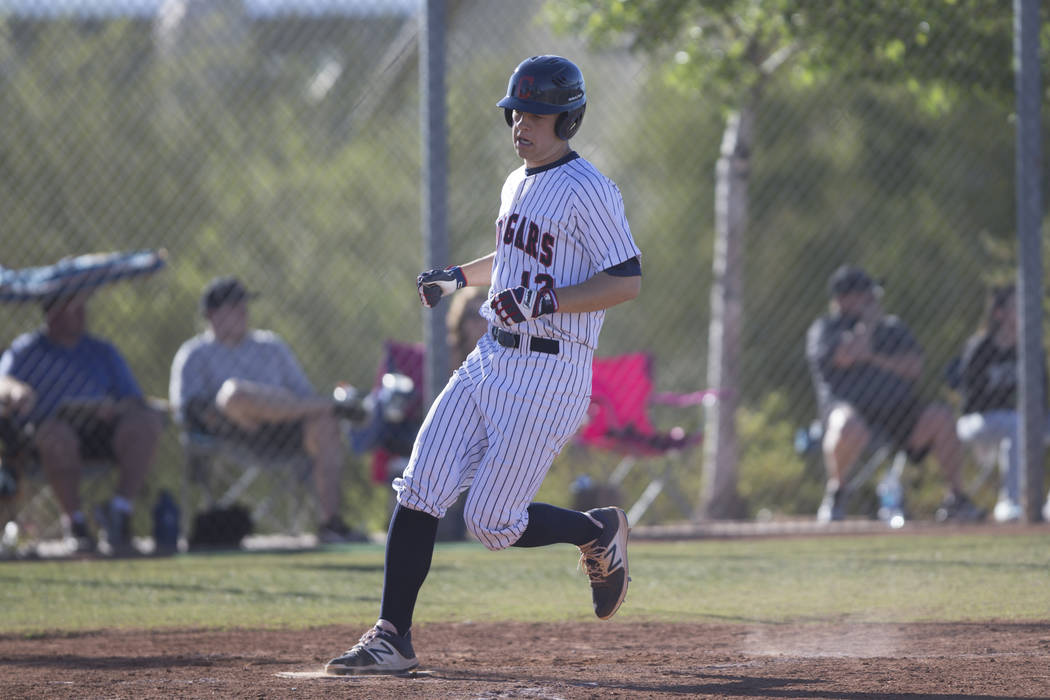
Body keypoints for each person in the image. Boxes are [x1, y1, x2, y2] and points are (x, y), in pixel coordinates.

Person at [324, 55, 642, 676]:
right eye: (517, 111)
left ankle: (594, 530)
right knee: (420, 488)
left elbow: (627, 281)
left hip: (550, 372)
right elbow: (513, 257)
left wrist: (547, 300)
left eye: (538, 113)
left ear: (567, 118)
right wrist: (458, 277)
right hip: (491, 356)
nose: (523, 123)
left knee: (492, 523)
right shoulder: (517, 181)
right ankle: (393, 636)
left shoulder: (590, 190)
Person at [169, 276, 365, 544]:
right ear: (212, 314)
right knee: (234, 394)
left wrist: (277, 405)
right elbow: (187, 409)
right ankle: (334, 404)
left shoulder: (271, 345)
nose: (243, 311)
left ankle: (330, 524)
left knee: (326, 424)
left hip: (285, 431)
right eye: (234, 305)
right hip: (232, 431)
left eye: (244, 305)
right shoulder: (195, 353)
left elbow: (303, 394)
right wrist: (235, 409)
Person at [806, 265, 983, 523]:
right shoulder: (825, 328)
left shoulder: (892, 327)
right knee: (846, 425)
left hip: (898, 411)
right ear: (843, 298)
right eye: (864, 294)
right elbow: (844, 356)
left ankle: (956, 497)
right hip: (852, 410)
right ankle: (838, 492)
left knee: (942, 417)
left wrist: (873, 358)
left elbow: (914, 367)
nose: (873, 300)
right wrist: (866, 326)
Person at [0, 291, 163, 554]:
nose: (83, 315)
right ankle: (75, 523)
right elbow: (2, 382)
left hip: (101, 432)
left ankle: (119, 512)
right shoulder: (26, 349)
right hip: (48, 436)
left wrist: (115, 409)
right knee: (58, 436)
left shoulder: (102, 351)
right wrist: (16, 391)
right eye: (73, 309)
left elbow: (134, 399)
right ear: (52, 313)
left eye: (82, 308)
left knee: (146, 422)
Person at [955, 284, 1049, 522]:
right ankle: (1012, 502)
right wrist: (1010, 402)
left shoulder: (1029, 348)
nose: (1025, 311)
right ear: (999, 313)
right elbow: (971, 399)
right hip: (977, 420)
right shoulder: (981, 348)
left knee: (1022, 422)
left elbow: (1044, 393)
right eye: (1017, 306)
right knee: (1018, 423)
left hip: (1018, 419)